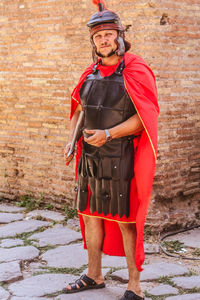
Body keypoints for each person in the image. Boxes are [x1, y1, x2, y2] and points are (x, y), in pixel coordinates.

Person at [64, 1, 159, 299]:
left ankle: (135, 286)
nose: (103, 40)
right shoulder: (89, 74)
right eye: (97, 36)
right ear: (93, 42)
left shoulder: (136, 69)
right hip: (90, 158)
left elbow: (144, 118)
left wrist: (108, 134)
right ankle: (94, 274)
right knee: (90, 214)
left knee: (126, 221)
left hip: (123, 157)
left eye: (108, 34)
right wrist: (71, 139)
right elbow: (80, 108)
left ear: (119, 36)